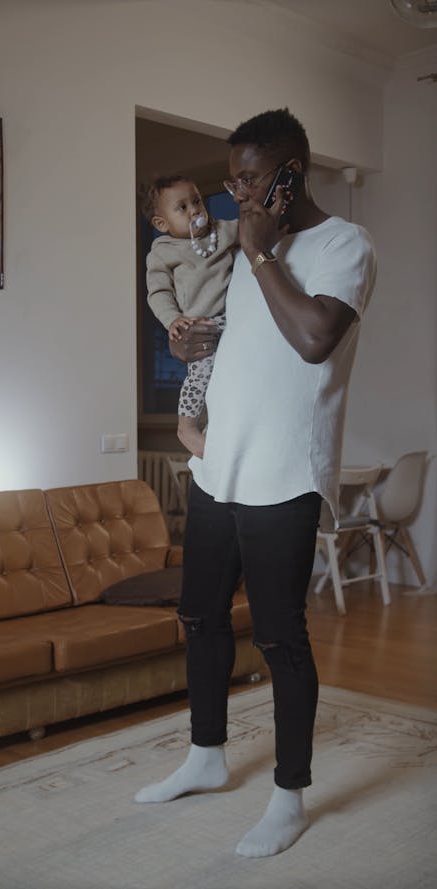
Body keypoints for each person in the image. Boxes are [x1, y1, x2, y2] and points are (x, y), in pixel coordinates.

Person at [134, 109, 376, 858]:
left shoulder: (344, 244)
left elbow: (312, 339)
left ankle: (288, 795)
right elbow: (244, 344)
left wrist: (263, 254)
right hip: (220, 464)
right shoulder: (245, 251)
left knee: (278, 635)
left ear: (291, 173)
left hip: (285, 474)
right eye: (231, 176)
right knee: (200, 616)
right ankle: (207, 756)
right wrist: (193, 340)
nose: (235, 190)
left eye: (249, 176)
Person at [140, 175, 238, 457]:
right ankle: (188, 426)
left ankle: (220, 425)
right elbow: (158, 292)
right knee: (201, 375)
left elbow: (251, 231)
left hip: (232, 320)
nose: (195, 210)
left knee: (229, 378)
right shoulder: (162, 252)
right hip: (200, 327)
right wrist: (172, 319)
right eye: (181, 208)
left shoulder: (222, 231)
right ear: (162, 224)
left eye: (196, 201)